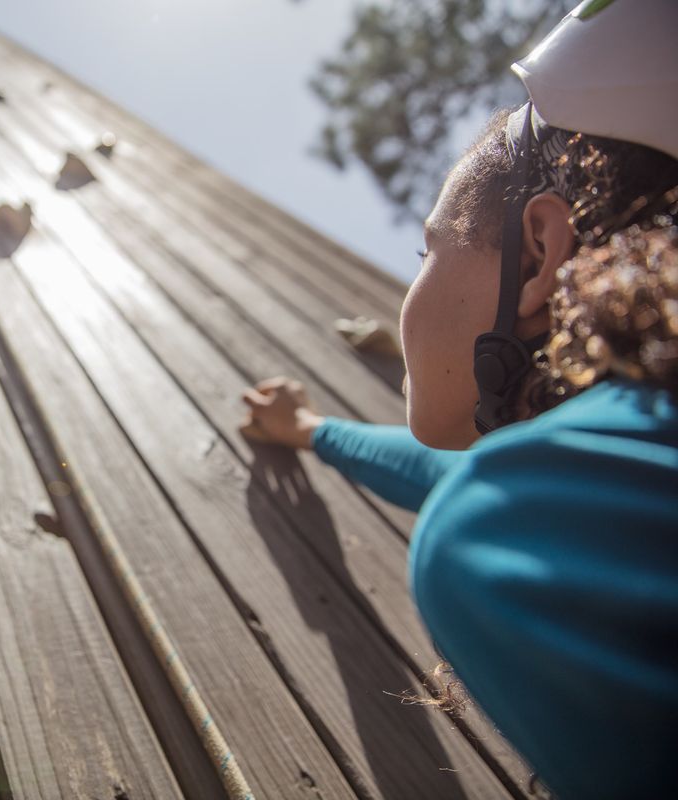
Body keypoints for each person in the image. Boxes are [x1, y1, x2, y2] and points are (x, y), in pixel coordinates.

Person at [240, 1, 678, 797]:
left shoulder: (508, 531)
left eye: (427, 250)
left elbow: (502, 495)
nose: (412, 284)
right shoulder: (603, 481)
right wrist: (309, 429)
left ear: (542, 253)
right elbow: (478, 472)